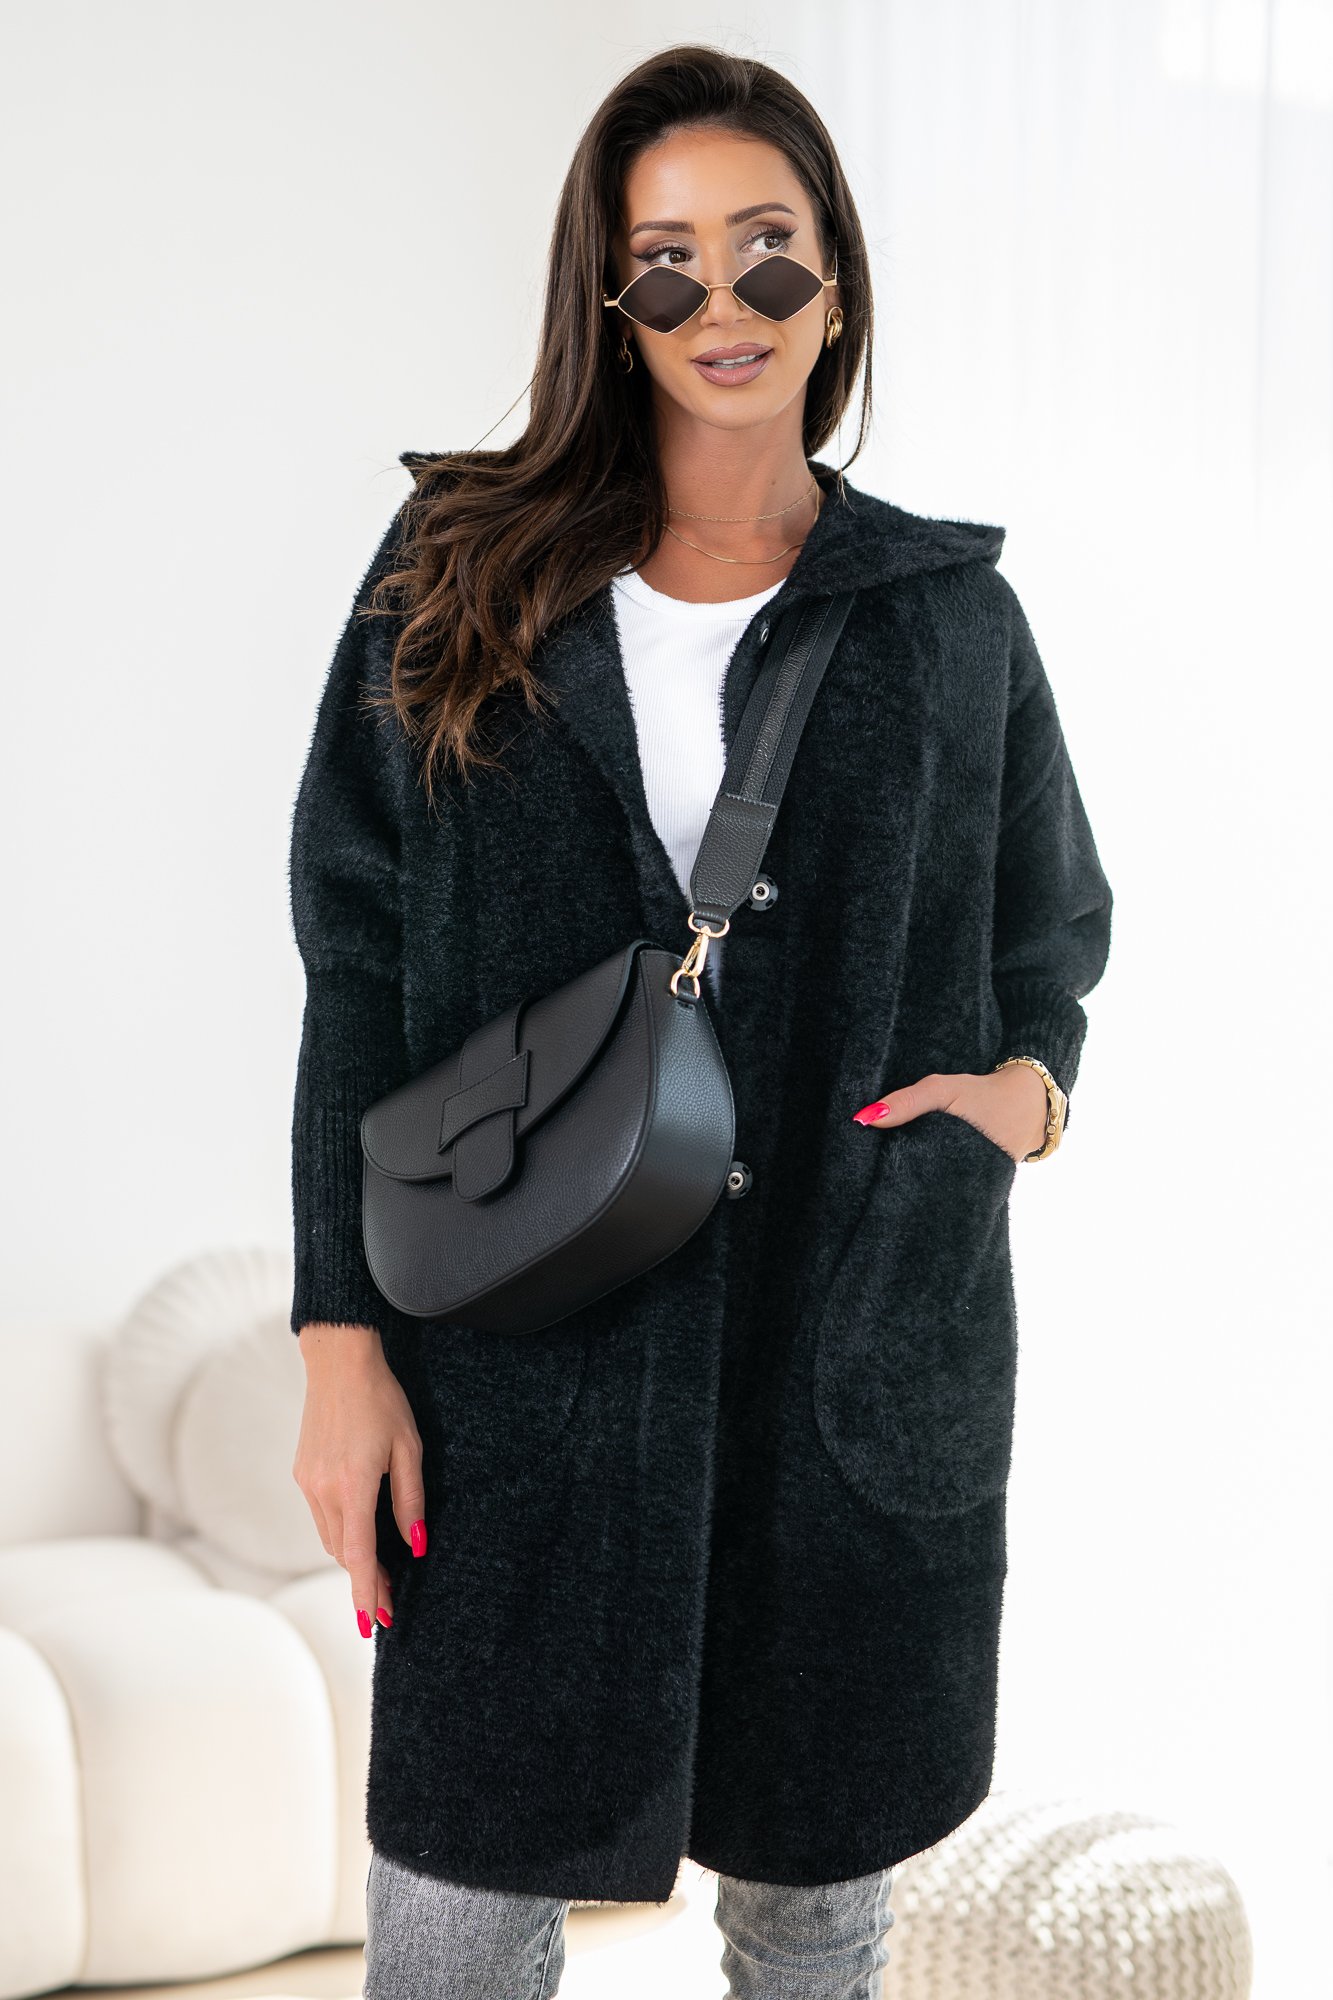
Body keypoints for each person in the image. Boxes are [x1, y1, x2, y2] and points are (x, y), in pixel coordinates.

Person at [289, 44, 1111, 2000]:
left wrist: (1019, 1102)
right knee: (454, 1915)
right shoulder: (452, 573)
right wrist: (338, 1338)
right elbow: (354, 957)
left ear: (834, 277)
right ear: (608, 296)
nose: (721, 300)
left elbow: (1051, 938)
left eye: (766, 247)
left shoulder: (947, 622)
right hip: (513, 1357)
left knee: (813, 1921)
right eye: (665, 260)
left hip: (847, 1337)